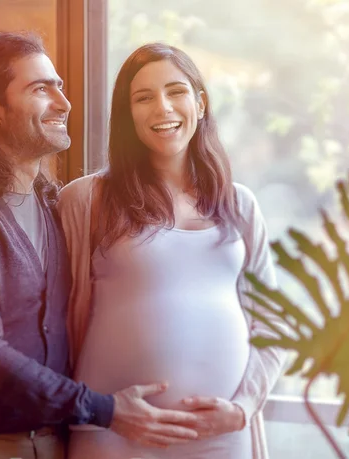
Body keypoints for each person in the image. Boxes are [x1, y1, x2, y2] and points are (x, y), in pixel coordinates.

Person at [0, 32, 200, 459]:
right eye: (41, 88)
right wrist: (106, 410)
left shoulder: (51, 199)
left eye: (59, 86)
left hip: (47, 443)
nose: (64, 103)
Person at [57, 43, 287, 459]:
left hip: (221, 438)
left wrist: (242, 410)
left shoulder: (240, 205)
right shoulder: (85, 200)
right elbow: (49, 324)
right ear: (128, 117)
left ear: (200, 103)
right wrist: (97, 412)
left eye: (176, 91)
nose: (162, 107)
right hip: (113, 433)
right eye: (143, 98)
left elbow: (274, 328)